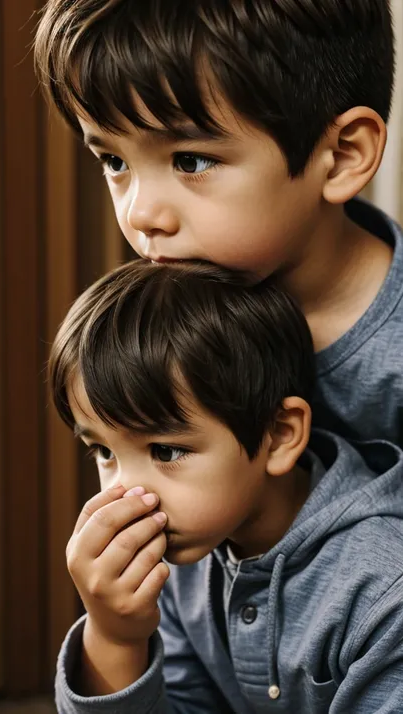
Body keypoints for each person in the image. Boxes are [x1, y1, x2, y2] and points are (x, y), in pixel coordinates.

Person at [34, 0, 403, 447]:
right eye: (114, 161)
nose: (139, 214)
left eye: (189, 161)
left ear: (343, 157)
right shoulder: (171, 311)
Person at [49, 259, 403, 713]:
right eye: (104, 452)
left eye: (166, 451)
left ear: (279, 435)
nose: (130, 496)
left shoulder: (382, 589)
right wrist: (114, 636)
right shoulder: (181, 560)